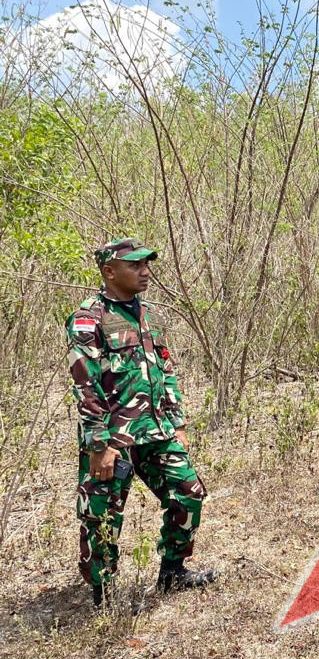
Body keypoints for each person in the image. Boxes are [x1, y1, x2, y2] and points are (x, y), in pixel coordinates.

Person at [67, 238, 217, 607]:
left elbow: (165, 369)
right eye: (134, 265)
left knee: (188, 492)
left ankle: (173, 572)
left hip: (156, 431)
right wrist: (100, 445)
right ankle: (104, 593)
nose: (145, 271)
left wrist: (177, 421)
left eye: (146, 264)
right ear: (109, 272)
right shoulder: (89, 319)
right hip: (113, 440)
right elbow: (85, 387)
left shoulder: (150, 314)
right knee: (103, 517)